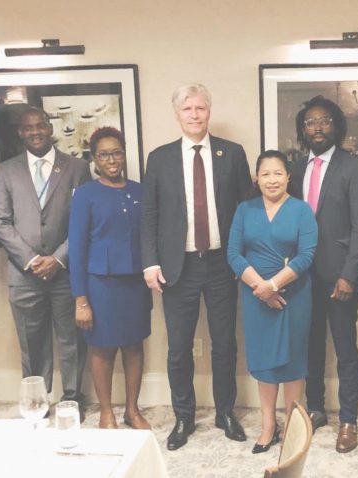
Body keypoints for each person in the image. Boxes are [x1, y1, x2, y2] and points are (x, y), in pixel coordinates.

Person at [141, 83, 253, 450]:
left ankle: (225, 412)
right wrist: (150, 263)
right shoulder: (159, 159)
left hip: (222, 263)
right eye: (187, 109)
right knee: (178, 348)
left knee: (224, 344)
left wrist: (244, 258)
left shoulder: (232, 154)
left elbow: (246, 209)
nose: (194, 114)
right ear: (177, 114)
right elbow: (150, 215)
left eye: (200, 108)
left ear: (209, 111)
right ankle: (183, 417)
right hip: (178, 266)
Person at [0, 106, 90, 418]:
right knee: (31, 342)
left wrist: (58, 258)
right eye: (27, 127)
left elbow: (84, 221)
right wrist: (32, 259)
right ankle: (38, 401)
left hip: (66, 271)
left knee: (71, 339)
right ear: (20, 132)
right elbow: (0, 220)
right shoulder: (6, 170)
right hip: (25, 275)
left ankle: (72, 399)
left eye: (40, 126)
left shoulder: (76, 168)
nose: (35, 132)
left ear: (50, 128)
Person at [288, 95, 358, 453]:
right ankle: (317, 408)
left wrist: (349, 274)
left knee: (344, 348)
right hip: (302, 277)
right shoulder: (293, 169)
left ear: (336, 126)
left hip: (339, 275)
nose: (317, 127)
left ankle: (348, 420)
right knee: (310, 345)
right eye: (310, 122)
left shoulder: (353, 167)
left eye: (324, 121)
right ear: (302, 130)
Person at [227, 150, 318, 454]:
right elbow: (233, 254)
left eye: (278, 173)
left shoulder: (302, 210)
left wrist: (274, 285)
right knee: (264, 361)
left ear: (288, 176)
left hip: (293, 294)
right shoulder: (244, 209)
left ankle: (293, 424)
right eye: (265, 173)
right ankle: (269, 424)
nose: (272, 179)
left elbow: (307, 254)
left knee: (293, 361)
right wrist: (261, 287)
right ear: (257, 178)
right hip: (255, 297)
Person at [69, 127, 153, 429]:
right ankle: (107, 411)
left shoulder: (140, 191)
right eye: (104, 154)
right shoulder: (86, 194)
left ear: (124, 152)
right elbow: (77, 248)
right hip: (100, 285)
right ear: (95, 159)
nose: (112, 159)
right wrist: (81, 299)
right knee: (102, 347)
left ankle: (132, 410)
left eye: (116, 152)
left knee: (134, 345)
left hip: (135, 283)